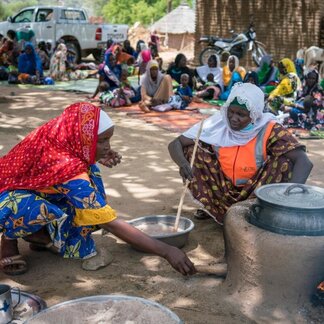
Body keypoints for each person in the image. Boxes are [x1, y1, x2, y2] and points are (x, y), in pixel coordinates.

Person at [0, 102, 196, 277]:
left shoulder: (60, 134)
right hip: (6, 197)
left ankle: (40, 235)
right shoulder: (65, 165)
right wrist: (167, 251)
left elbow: (49, 171)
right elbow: (107, 221)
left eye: (107, 139)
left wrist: (94, 155)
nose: (107, 146)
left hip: (34, 189)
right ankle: (9, 241)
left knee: (89, 169)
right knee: (31, 205)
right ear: (82, 138)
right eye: (101, 140)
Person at [168, 83, 313, 223]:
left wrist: (289, 201)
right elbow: (175, 144)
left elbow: (304, 162)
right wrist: (182, 164)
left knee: (285, 162)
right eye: (231, 111)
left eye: (241, 114)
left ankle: (264, 212)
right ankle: (213, 208)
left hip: (256, 191)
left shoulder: (269, 129)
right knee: (191, 150)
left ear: (254, 115)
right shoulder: (216, 124)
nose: (233, 118)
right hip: (221, 189)